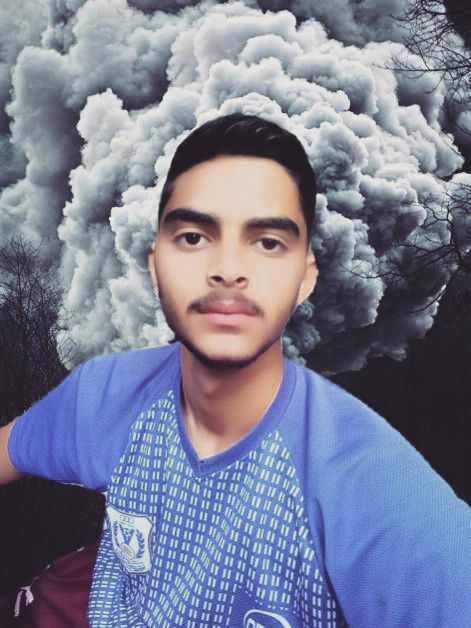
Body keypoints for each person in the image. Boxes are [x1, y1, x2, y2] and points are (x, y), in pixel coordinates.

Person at [0, 112, 470, 627]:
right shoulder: (108, 392)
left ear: (305, 277)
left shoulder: (371, 488)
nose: (227, 269)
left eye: (267, 242)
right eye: (194, 237)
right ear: (156, 265)